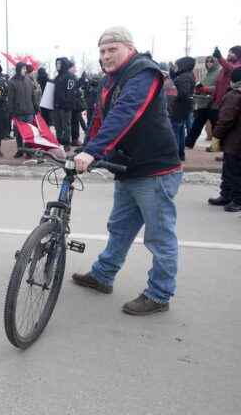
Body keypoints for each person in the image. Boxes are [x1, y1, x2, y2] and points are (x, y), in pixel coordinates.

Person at [72, 26, 182, 316]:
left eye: (112, 49)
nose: (106, 56)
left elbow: (127, 113)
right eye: (102, 51)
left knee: (159, 237)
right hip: (129, 167)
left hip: (155, 169)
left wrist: (94, 152)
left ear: (129, 48)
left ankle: (159, 294)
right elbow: (99, 117)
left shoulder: (144, 73)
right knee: (119, 229)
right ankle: (103, 275)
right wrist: (87, 148)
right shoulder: (110, 80)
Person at [208, 67, 241, 212]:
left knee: (232, 170)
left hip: (235, 140)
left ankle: (236, 199)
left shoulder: (235, 95)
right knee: (233, 169)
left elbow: (226, 119)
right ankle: (227, 195)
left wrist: (216, 135)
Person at [186, 56, 221, 148]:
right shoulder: (207, 73)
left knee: (216, 127)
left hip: (213, 104)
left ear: (215, 63)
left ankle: (216, 146)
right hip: (203, 103)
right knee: (196, 125)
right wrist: (198, 89)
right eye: (207, 61)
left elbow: (219, 88)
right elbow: (202, 85)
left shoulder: (219, 72)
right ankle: (188, 143)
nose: (209, 63)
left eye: (211, 62)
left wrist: (205, 89)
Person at [8, 62, 39, 157]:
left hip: (29, 111)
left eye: (25, 69)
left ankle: (28, 150)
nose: (25, 70)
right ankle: (20, 150)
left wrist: (36, 106)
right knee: (18, 133)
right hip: (18, 113)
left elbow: (33, 95)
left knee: (29, 133)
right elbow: (10, 99)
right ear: (18, 69)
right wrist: (11, 112)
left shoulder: (28, 80)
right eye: (23, 69)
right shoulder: (12, 82)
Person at [169, 57, 196, 161]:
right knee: (180, 131)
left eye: (178, 65)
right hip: (184, 108)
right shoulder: (187, 75)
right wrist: (173, 72)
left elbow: (183, 93)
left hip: (179, 108)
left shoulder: (184, 77)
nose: (177, 67)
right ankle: (180, 154)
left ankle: (175, 155)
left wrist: (175, 94)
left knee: (175, 131)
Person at [52, 57, 77, 151]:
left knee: (66, 126)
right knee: (57, 126)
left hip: (65, 106)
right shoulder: (57, 77)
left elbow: (71, 92)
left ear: (64, 64)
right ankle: (59, 141)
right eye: (57, 64)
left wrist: (68, 104)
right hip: (56, 106)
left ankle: (67, 143)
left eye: (59, 64)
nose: (57, 65)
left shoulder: (69, 76)